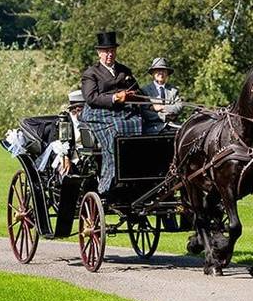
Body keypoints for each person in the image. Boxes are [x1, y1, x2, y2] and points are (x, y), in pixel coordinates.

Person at [78, 31, 142, 193]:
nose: (109, 55)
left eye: (112, 51)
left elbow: (137, 90)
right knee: (116, 131)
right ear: (99, 53)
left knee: (139, 124)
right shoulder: (91, 73)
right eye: (106, 51)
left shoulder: (124, 70)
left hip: (124, 113)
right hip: (98, 113)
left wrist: (133, 95)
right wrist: (114, 98)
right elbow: (91, 98)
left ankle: (135, 175)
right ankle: (110, 180)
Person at [140, 57, 183, 134]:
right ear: (153, 73)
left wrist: (161, 107)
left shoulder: (173, 90)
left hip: (173, 126)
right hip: (153, 128)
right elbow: (145, 112)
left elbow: (178, 107)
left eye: (163, 71)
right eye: (158, 70)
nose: (161, 73)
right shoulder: (145, 91)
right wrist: (165, 116)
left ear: (167, 74)